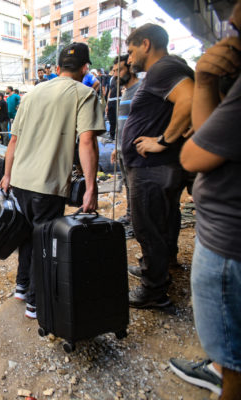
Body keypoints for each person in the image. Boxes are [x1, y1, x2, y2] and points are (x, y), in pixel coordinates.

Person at [0, 42, 104, 319]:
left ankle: (22, 287)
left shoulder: (32, 94)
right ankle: (35, 302)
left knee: (27, 237)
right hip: (48, 184)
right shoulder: (84, 94)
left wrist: (7, 175)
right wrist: (91, 188)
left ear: (57, 69)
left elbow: (13, 140)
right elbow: (87, 141)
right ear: (85, 68)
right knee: (44, 242)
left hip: (20, 179)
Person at [171, 3, 241, 397]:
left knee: (234, 362)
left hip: (228, 246)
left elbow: (192, 154)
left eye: (237, 31)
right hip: (225, 237)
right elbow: (206, 129)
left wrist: (165, 141)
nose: (229, 39)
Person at [122, 23, 194, 308]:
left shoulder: (163, 68)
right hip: (159, 167)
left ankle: (154, 291)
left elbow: (188, 99)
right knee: (163, 220)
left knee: (148, 227)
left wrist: (163, 140)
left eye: (130, 51)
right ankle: (161, 265)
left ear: (146, 44)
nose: (128, 59)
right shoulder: (168, 69)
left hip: (152, 167)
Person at [109, 54, 140, 239]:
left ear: (129, 69)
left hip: (135, 151)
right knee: (128, 187)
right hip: (122, 149)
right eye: (113, 71)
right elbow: (122, 124)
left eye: (119, 70)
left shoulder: (140, 90)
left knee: (136, 190)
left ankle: (137, 225)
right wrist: (116, 147)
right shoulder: (125, 92)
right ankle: (130, 218)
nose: (115, 75)